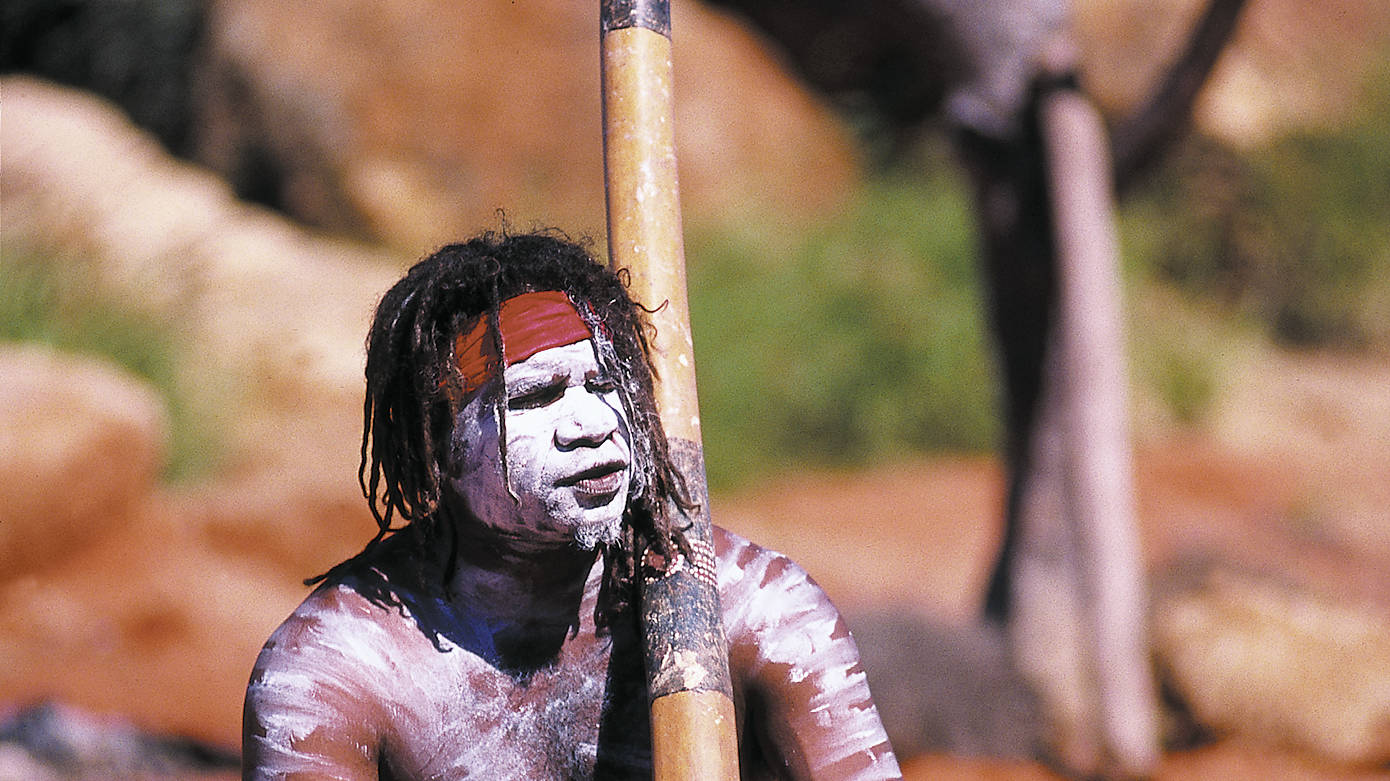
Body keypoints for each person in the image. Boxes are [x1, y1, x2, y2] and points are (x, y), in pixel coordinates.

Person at [242, 230, 902, 779]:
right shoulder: (335, 673)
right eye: (534, 397)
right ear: (436, 442)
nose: (590, 423)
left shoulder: (761, 613)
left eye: (606, 384)